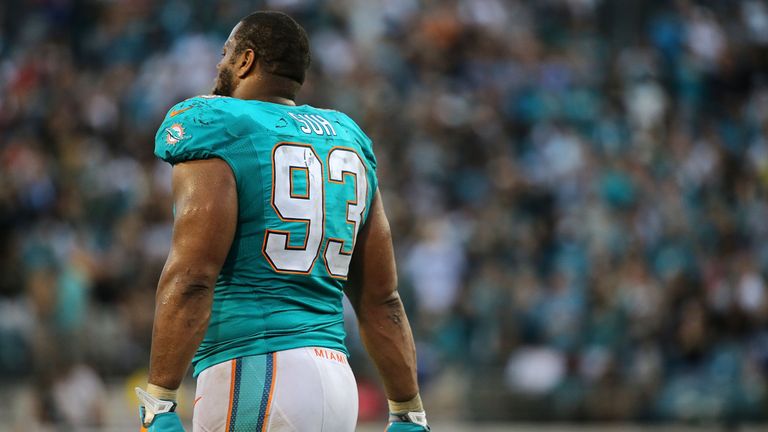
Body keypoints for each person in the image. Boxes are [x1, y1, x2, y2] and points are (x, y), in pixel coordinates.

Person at [135, 11, 429, 432]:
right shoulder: (345, 135)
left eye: (225, 53)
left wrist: (159, 400)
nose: (218, 65)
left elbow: (193, 275)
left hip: (254, 370)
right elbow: (382, 299)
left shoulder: (216, 123)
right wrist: (408, 409)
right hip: (335, 379)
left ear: (245, 60)